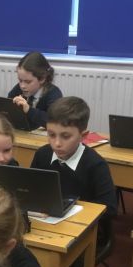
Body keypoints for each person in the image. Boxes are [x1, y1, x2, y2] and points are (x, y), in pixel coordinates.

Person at [31, 96, 117, 233]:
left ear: (83, 135)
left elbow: (110, 208)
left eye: (65, 136)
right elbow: (31, 191)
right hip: (45, 223)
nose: (57, 143)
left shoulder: (96, 164)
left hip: (84, 230)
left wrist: (70, 208)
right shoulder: (42, 155)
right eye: (51, 135)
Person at [8, 51, 62, 130]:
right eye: (20, 80)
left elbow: (55, 121)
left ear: (42, 79)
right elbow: (7, 110)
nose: (22, 86)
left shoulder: (53, 93)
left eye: (28, 82)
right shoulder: (18, 89)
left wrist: (29, 110)